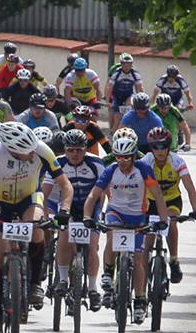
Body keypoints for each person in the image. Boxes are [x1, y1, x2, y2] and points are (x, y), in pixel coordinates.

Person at [0, 122, 72, 329]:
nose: (31, 155)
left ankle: (35, 284)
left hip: (29, 198)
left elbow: (65, 184)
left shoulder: (42, 150)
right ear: (12, 149)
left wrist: (65, 210)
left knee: (36, 227)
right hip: (0, 202)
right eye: (26, 152)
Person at [84, 132, 169, 322]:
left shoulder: (144, 169)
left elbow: (157, 194)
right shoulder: (110, 170)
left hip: (138, 215)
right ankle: (108, 270)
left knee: (139, 259)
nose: (122, 161)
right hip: (116, 211)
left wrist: (163, 219)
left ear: (133, 156)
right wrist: (87, 217)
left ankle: (139, 299)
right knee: (113, 234)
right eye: (119, 156)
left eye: (127, 157)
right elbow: (93, 196)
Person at [42, 129, 106, 312]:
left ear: (86, 149)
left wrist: (103, 214)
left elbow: (105, 192)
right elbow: (44, 194)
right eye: (70, 150)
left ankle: (93, 289)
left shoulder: (96, 163)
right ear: (65, 150)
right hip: (67, 207)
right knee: (64, 236)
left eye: (79, 150)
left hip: (90, 207)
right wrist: (45, 216)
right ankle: (62, 279)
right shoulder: (57, 164)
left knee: (93, 246)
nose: (75, 154)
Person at [141, 126, 196, 284]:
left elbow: (190, 188)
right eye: (156, 147)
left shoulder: (177, 161)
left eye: (163, 146)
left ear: (169, 146)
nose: (160, 150)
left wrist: (195, 209)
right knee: (148, 240)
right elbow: (139, 185)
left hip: (172, 200)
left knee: (172, 223)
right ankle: (142, 285)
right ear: (151, 147)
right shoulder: (146, 161)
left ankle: (173, 260)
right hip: (151, 202)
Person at [106, 53, 144, 132]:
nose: (127, 66)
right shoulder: (117, 73)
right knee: (117, 118)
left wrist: (141, 101)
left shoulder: (135, 73)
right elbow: (109, 88)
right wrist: (107, 101)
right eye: (124, 64)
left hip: (128, 95)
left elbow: (139, 88)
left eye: (129, 64)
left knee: (129, 107)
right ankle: (113, 133)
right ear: (121, 64)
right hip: (117, 96)